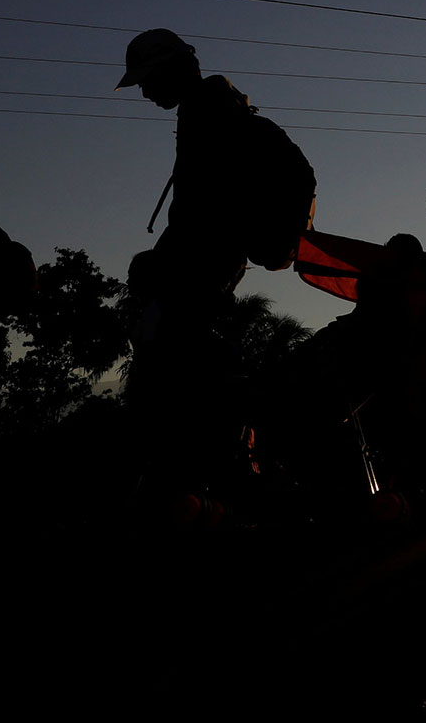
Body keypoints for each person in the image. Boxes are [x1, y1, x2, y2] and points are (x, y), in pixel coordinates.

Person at [118, 29, 310, 513]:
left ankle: (206, 488)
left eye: (147, 79)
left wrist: (167, 260)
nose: (144, 91)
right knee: (188, 373)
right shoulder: (208, 111)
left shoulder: (212, 115)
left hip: (201, 269)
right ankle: (215, 481)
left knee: (178, 379)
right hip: (203, 265)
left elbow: (206, 213)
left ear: (172, 68)